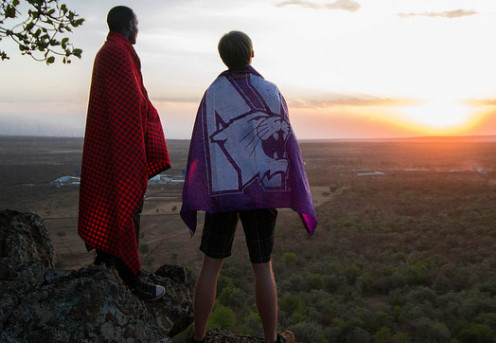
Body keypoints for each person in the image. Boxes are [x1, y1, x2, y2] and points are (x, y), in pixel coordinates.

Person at [180, 31, 317, 343]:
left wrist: (202, 187)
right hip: (262, 192)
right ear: (251, 53)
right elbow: (288, 143)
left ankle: (198, 337)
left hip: (224, 191)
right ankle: (271, 340)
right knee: (262, 267)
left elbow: (203, 145)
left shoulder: (213, 92)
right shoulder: (269, 90)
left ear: (223, 57)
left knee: (211, 266)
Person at [78, 6, 171, 301]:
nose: (138, 29)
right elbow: (132, 104)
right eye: (137, 24)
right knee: (127, 203)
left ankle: (107, 262)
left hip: (112, 143)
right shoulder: (117, 54)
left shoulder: (112, 51)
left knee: (114, 200)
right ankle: (131, 279)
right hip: (121, 144)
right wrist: (142, 134)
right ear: (129, 25)